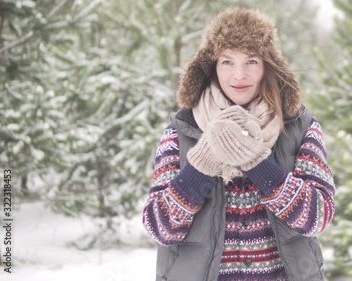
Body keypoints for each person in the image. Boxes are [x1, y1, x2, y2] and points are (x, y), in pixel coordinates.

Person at [143, 7, 335, 281]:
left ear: (268, 65)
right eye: (227, 62)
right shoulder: (182, 129)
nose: (239, 75)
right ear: (211, 66)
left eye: (251, 61)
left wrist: (258, 163)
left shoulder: (299, 126)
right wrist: (200, 165)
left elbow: (318, 216)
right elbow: (159, 227)